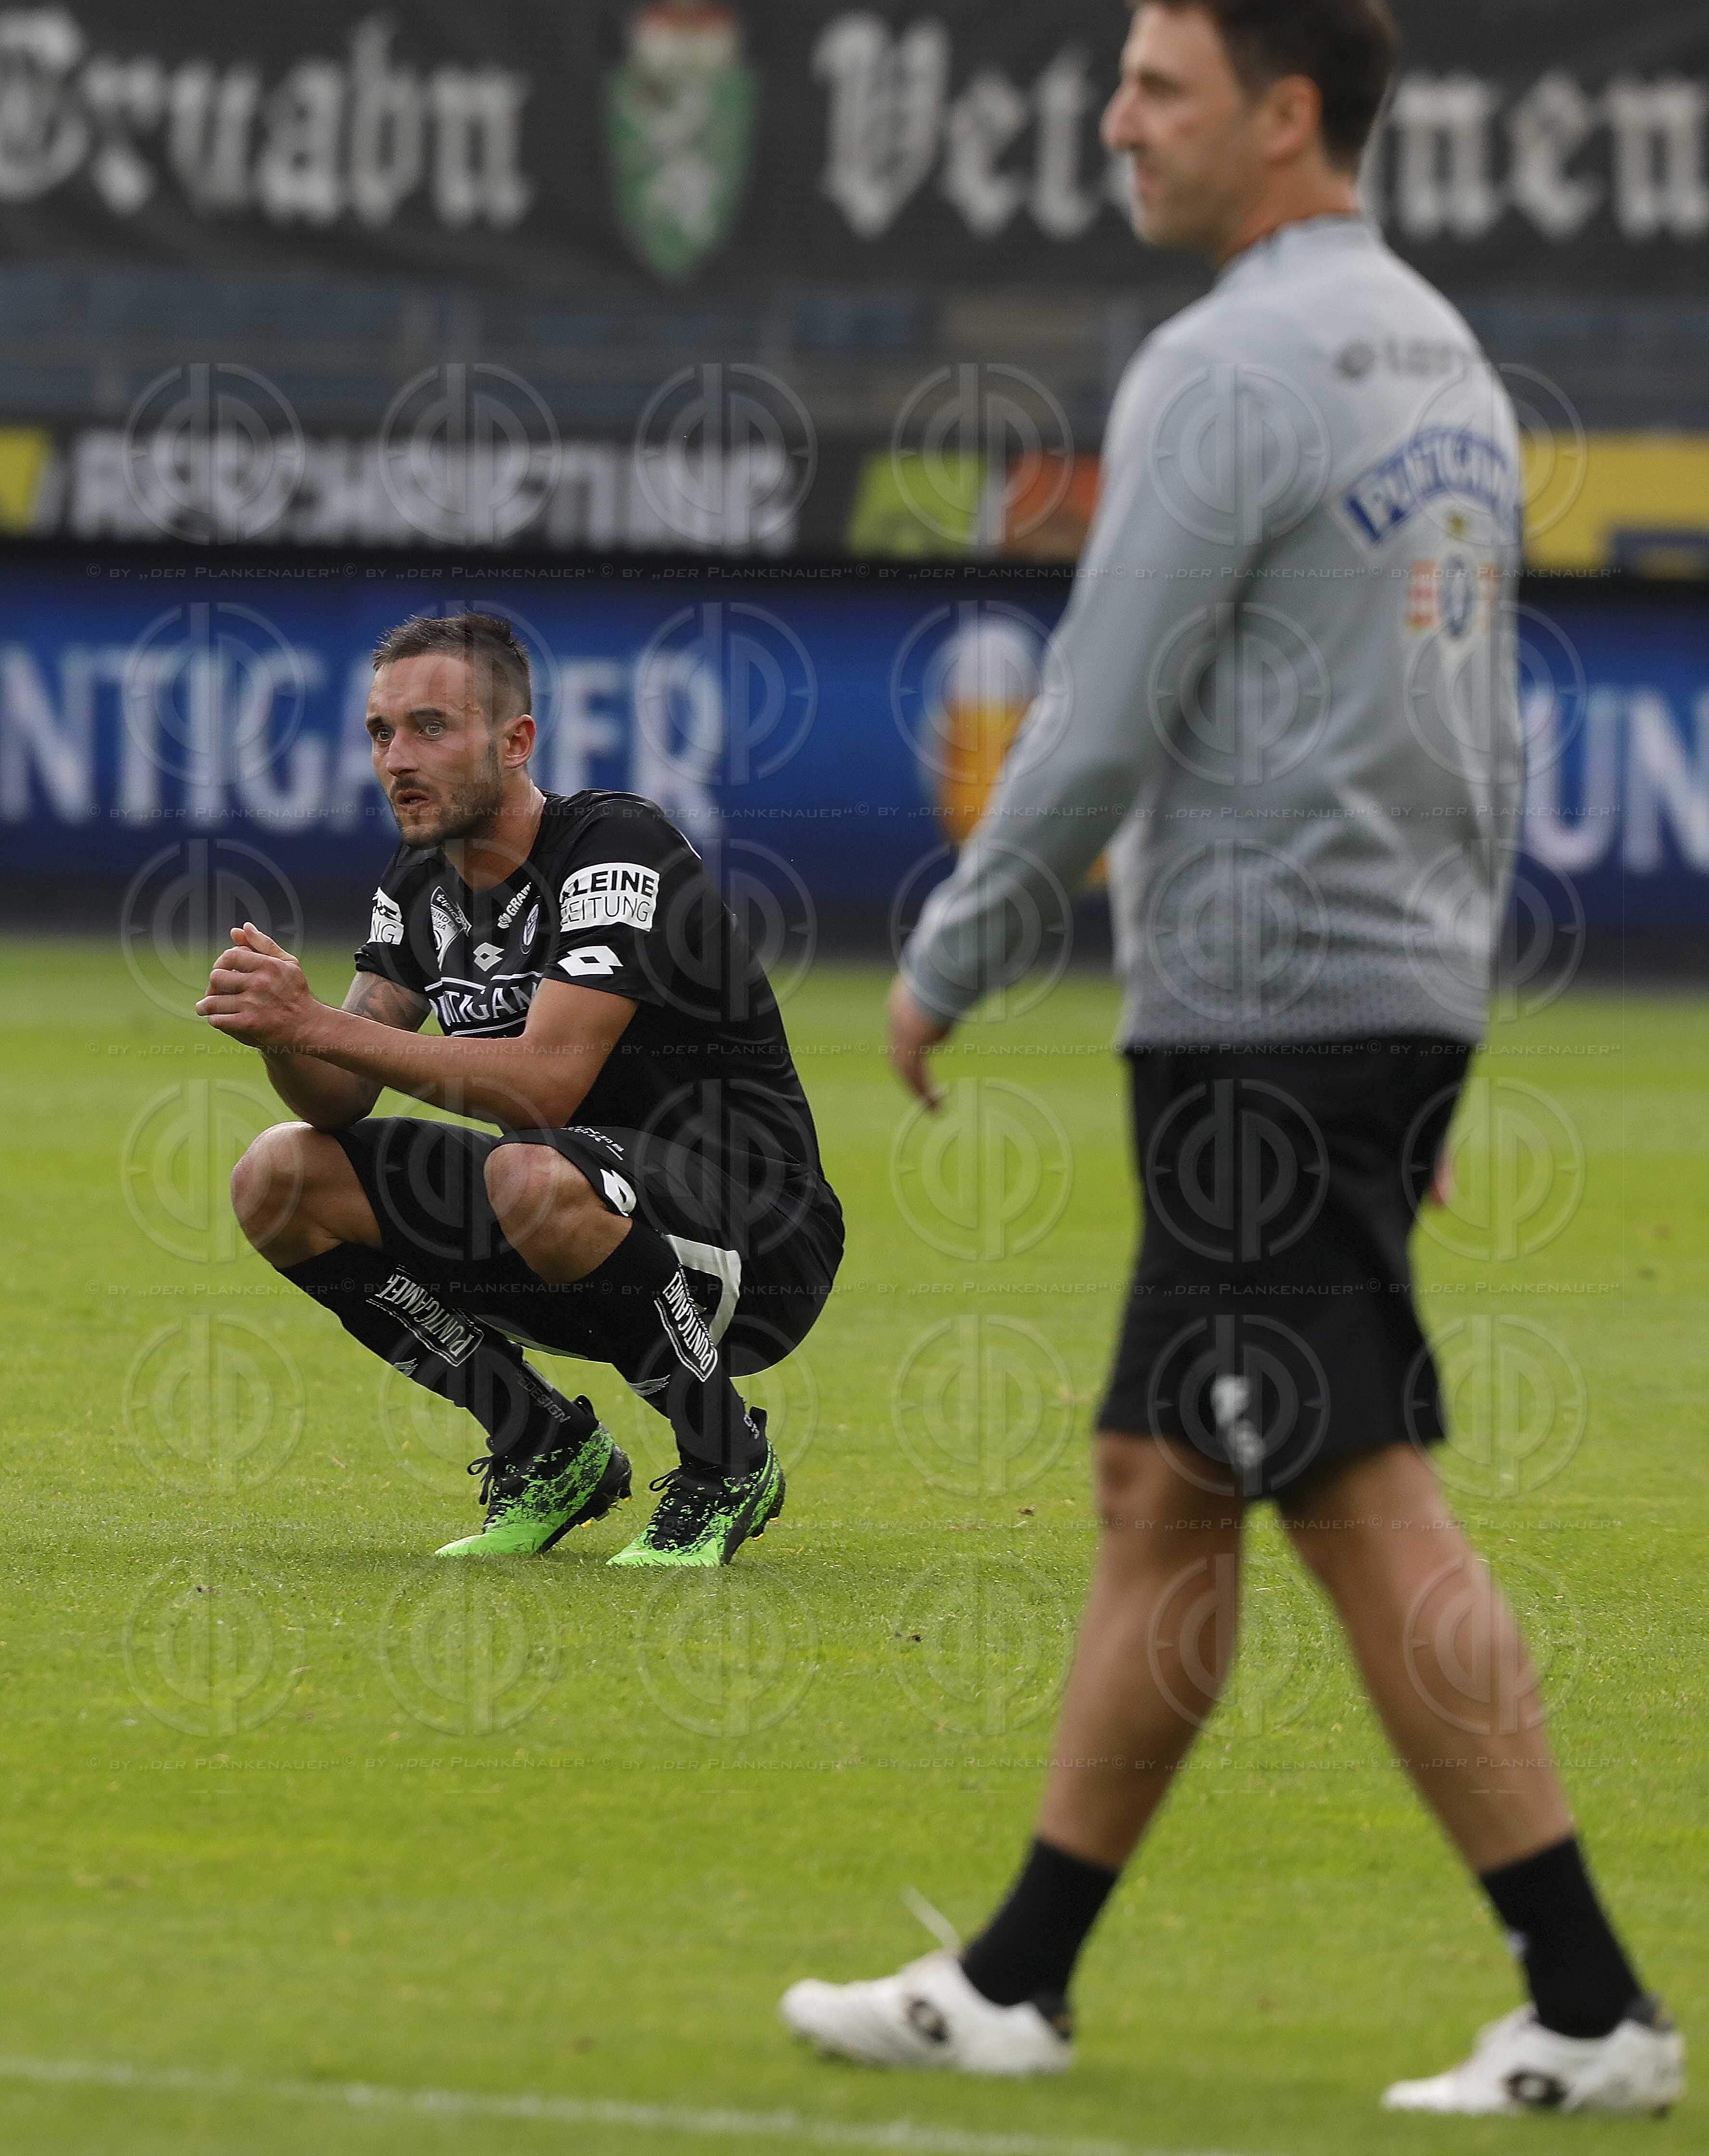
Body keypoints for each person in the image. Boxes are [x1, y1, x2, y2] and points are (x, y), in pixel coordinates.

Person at [779, 0, 1683, 2114]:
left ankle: (1590, 2004)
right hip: (1368, 1005)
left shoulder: (1225, 365)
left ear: (1286, 115)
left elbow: (1101, 710)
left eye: (1158, 86)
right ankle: (1018, 1977)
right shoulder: (1445, 359)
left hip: (1268, 1020)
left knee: (1350, 1491)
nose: (1116, 119)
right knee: (1165, 1483)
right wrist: (1440, 1026)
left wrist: (955, 952)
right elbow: (1481, 728)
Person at [202, 611, 842, 1567]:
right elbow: (337, 1099)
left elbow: (547, 1084)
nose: (397, 758)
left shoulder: (615, 847)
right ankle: (546, 1444)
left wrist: (316, 1023)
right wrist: (284, 1033)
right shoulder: (421, 883)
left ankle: (726, 1461)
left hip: (758, 1235)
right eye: (381, 732)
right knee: (280, 1177)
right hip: (563, 1215)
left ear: (516, 741)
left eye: (431, 727)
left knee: (534, 1170)